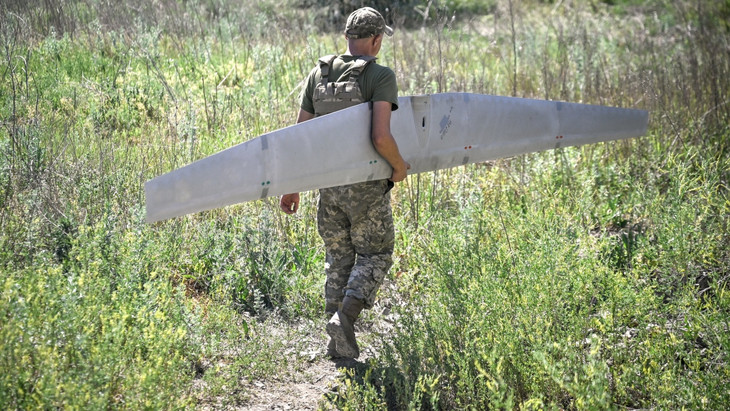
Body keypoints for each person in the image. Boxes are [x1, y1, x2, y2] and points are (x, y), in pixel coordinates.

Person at [279, 7, 410, 360]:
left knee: (338, 259)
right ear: (377, 39)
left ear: (347, 38)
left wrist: (292, 185)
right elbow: (381, 137)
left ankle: (335, 344)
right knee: (376, 253)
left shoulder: (318, 75)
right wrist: (399, 167)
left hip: (328, 187)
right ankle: (345, 319)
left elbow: (300, 136)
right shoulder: (380, 76)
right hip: (365, 186)